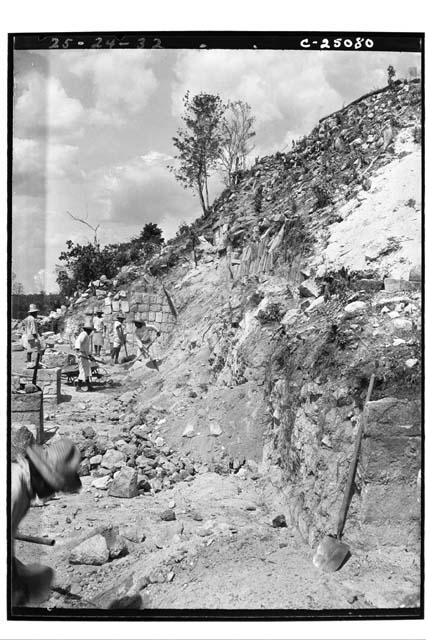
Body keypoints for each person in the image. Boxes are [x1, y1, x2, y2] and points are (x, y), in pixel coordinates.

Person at [12, 438, 81, 606]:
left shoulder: (23, 489)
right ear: (42, 477)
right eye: (53, 486)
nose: (52, 493)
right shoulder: (14, 489)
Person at [74, 318, 94, 391]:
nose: (91, 331)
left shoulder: (86, 335)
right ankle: (78, 386)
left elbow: (86, 348)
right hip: (81, 354)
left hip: (84, 354)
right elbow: (78, 342)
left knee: (87, 370)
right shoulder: (84, 334)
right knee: (83, 370)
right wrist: (78, 351)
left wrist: (90, 356)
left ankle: (89, 386)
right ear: (88, 330)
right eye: (90, 330)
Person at [22, 304, 42, 369]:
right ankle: (38, 363)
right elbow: (33, 330)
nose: (37, 314)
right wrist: (36, 338)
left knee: (29, 351)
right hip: (32, 336)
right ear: (34, 312)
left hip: (27, 336)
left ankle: (29, 363)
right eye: (36, 312)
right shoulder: (33, 319)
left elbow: (23, 327)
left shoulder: (26, 319)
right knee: (39, 349)